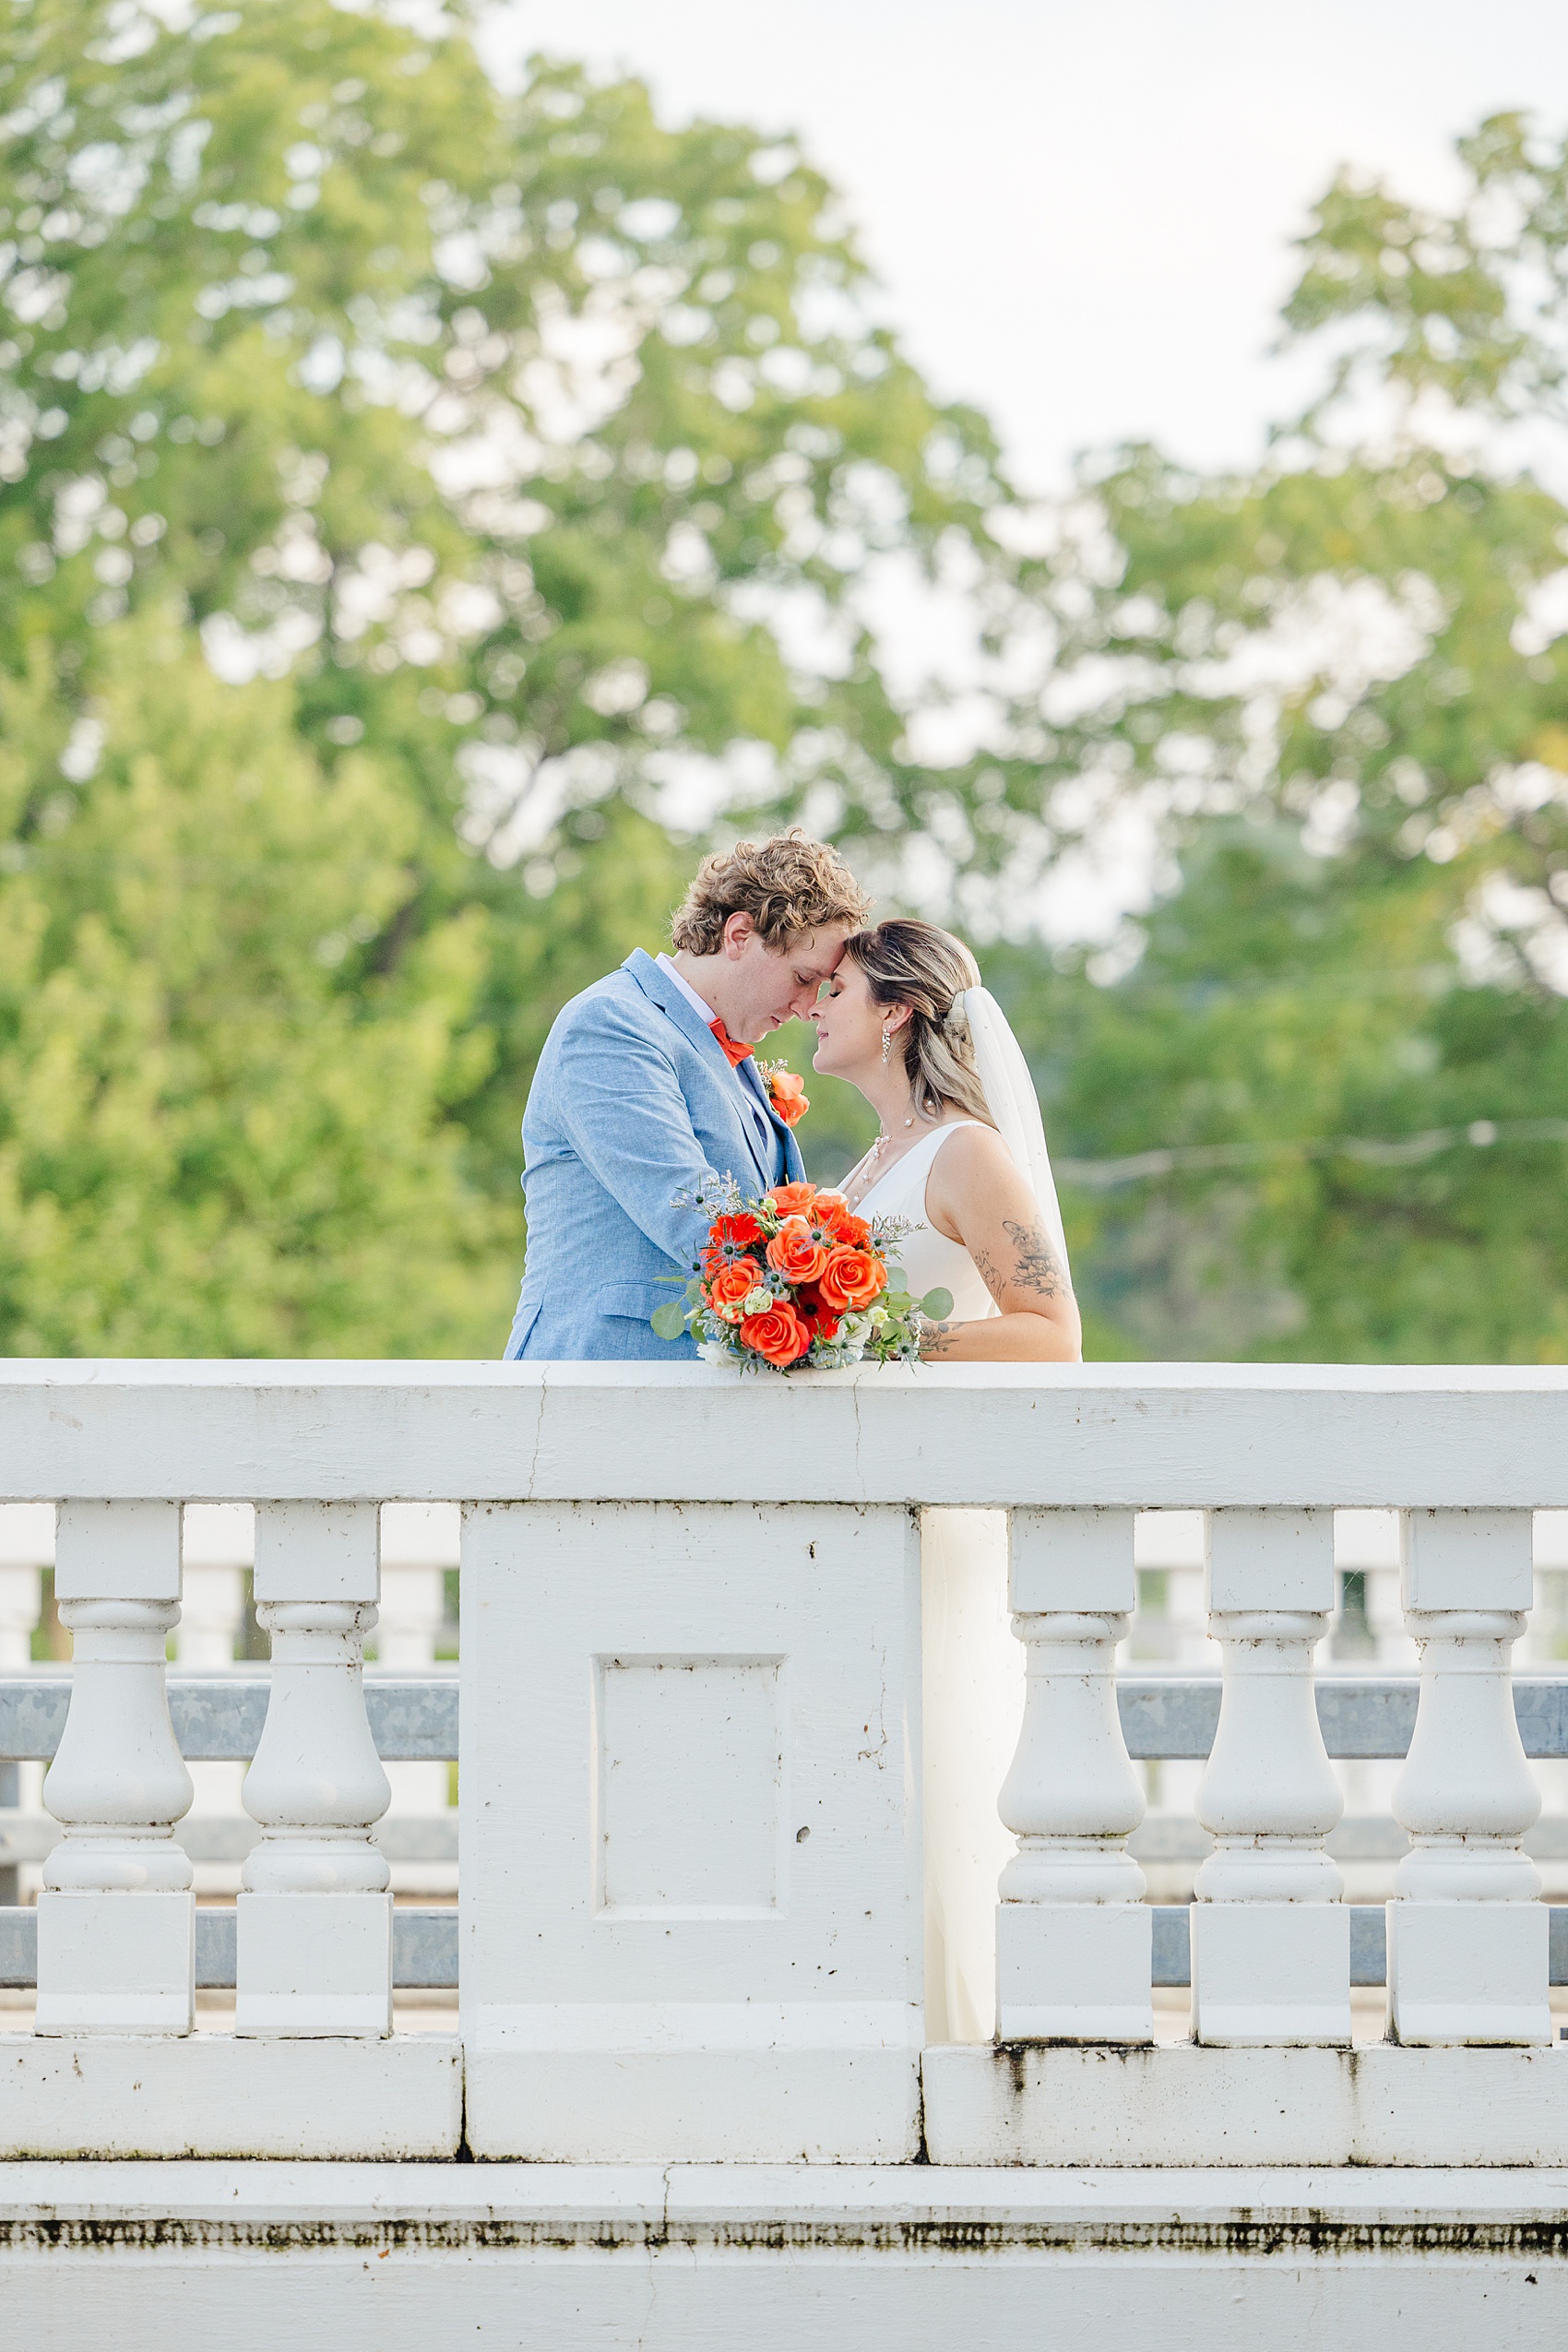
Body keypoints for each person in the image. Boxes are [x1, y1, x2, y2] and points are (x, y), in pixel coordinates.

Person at [809, 917, 1081, 2043]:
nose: (816, 1002)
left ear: (896, 1012)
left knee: (932, 1764)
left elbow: (1046, 1331)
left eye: (838, 987)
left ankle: (951, 2034)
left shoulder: (965, 1151)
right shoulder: (871, 1162)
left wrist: (880, 1342)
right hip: (864, 1513)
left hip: (937, 1522)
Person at [503, 831, 870, 1360]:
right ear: (740, 934)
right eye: (803, 977)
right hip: (598, 1376)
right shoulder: (612, 1025)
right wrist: (844, 1294)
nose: (807, 1007)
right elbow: (693, 1211)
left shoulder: (727, 1052)